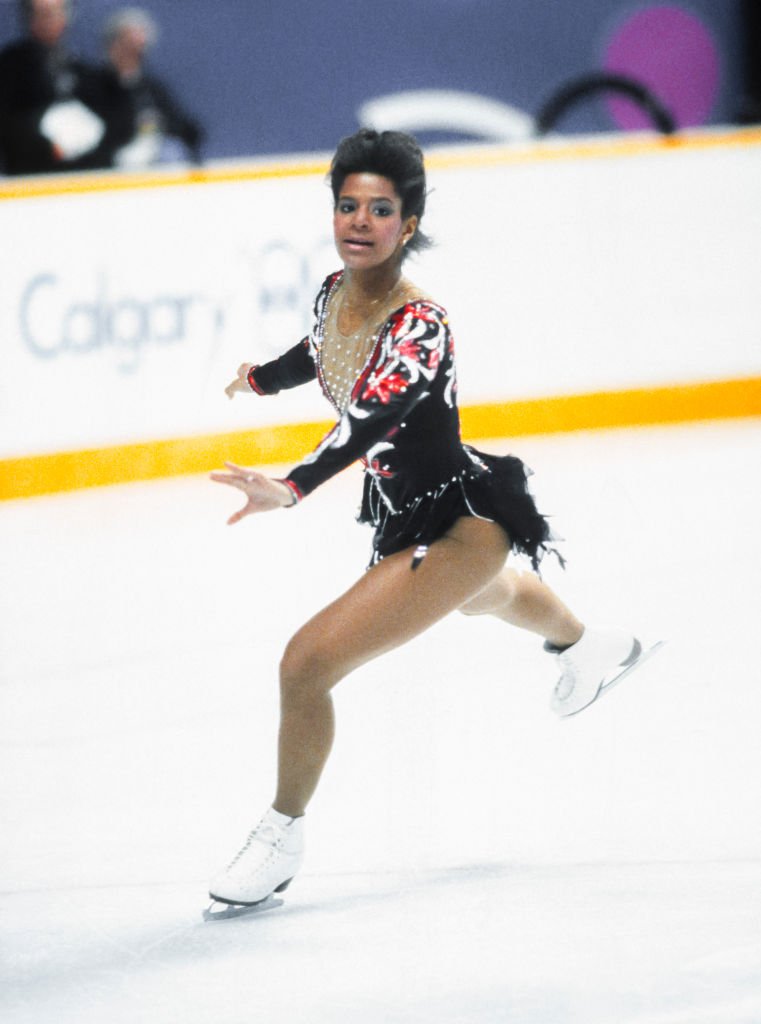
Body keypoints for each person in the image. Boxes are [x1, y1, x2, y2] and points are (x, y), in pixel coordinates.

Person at [208, 128, 659, 910]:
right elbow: (318, 353)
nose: (357, 221)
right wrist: (260, 379)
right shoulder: (332, 292)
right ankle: (593, 647)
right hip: (408, 516)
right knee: (494, 595)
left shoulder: (422, 325)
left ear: (406, 225)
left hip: (459, 522)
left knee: (305, 663)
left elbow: (375, 415)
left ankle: (281, 837)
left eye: (378, 209)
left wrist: (293, 485)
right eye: (346, 205)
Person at [0, 0, 108, 175]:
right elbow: (8, 123)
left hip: (83, 173)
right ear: (30, 18)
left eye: (56, 12)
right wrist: (48, 143)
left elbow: (103, 117)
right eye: (43, 13)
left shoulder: (80, 67)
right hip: (31, 176)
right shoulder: (10, 64)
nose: (50, 20)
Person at [95, 6, 203, 169]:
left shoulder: (152, 89)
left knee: (172, 153)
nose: (132, 56)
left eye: (138, 50)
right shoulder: (95, 85)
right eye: (127, 47)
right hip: (113, 167)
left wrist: (160, 127)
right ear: (112, 46)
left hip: (157, 162)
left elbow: (187, 128)